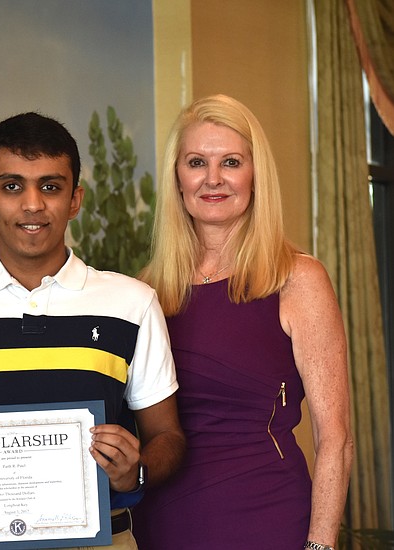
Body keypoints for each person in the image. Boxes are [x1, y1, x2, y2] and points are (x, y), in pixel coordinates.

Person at [0, 112, 186, 549]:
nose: (32, 204)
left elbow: (169, 438)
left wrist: (137, 468)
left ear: (75, 199)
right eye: (12, 186)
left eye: (50, 186)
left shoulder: (133, 303)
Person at [132, 94, 353, 549]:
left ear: (255, 175)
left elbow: (336, 439)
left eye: (230, 161)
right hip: (162, 523)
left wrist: (321, 545)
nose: (213, 179)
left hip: (267, 518)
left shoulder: (298, 279)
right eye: (196, 162)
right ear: (177, 177)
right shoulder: (145, 292)